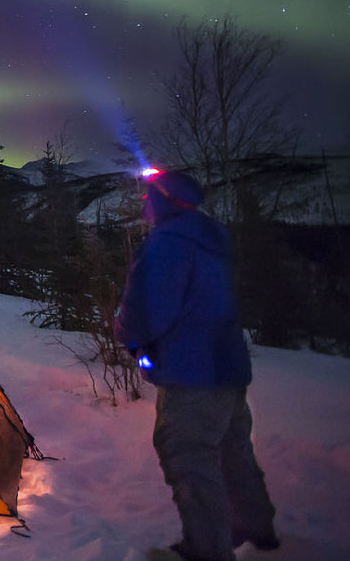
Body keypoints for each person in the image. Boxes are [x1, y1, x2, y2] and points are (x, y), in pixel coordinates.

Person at [116, 170, 278, 560]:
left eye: (148, 197)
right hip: (228, 370)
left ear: (165, 200)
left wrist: (130, 337)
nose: (144, 204)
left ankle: (207, 550)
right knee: (233, 451)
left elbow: (148, 311)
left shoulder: (167, 244)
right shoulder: (210, 239)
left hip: (190, 375)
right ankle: (256, 530)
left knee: (189, 458)